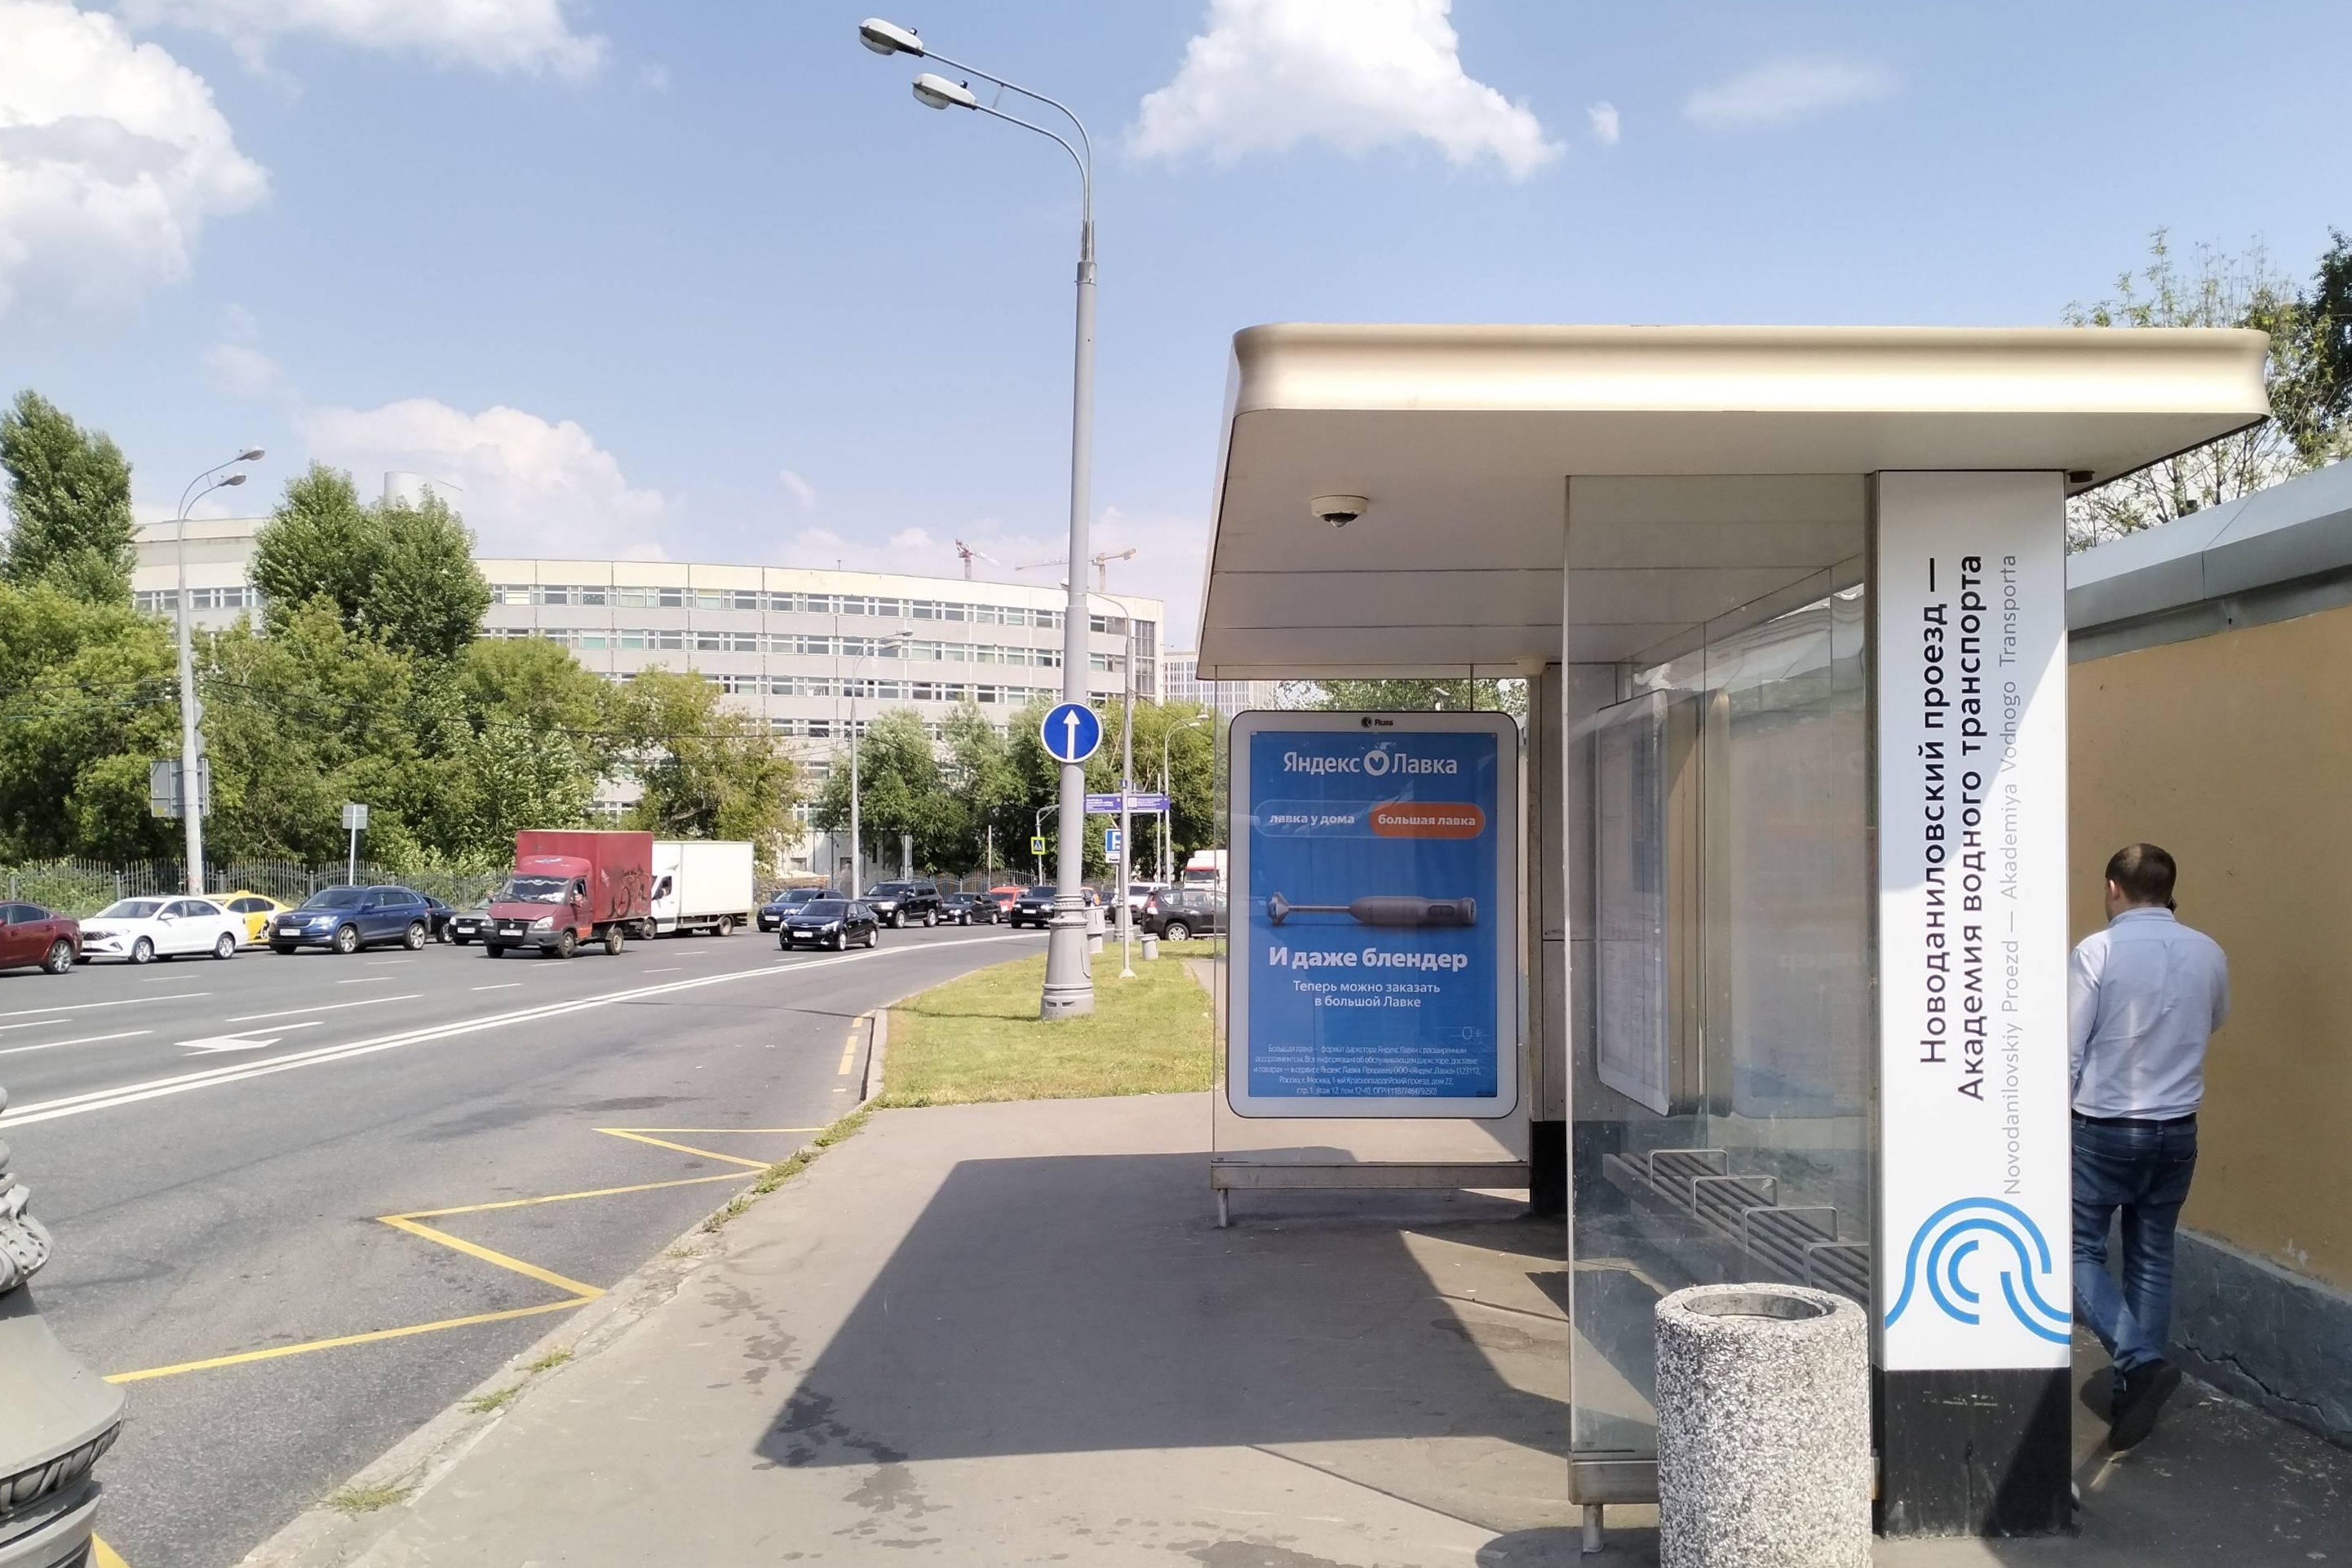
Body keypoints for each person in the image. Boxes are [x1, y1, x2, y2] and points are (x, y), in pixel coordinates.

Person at [2069, 843, 2229, 1450]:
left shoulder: (2098, 951)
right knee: (2153, 1255)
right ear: (2168, 888)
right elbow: (2214, 1018)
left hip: (2105, 1127)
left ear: (2114, 887)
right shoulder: (2207, 950)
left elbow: (2068, 1046)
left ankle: (2138, 1364)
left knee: (2074, 1252)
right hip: (2177, 1127)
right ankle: (2132, 1395)